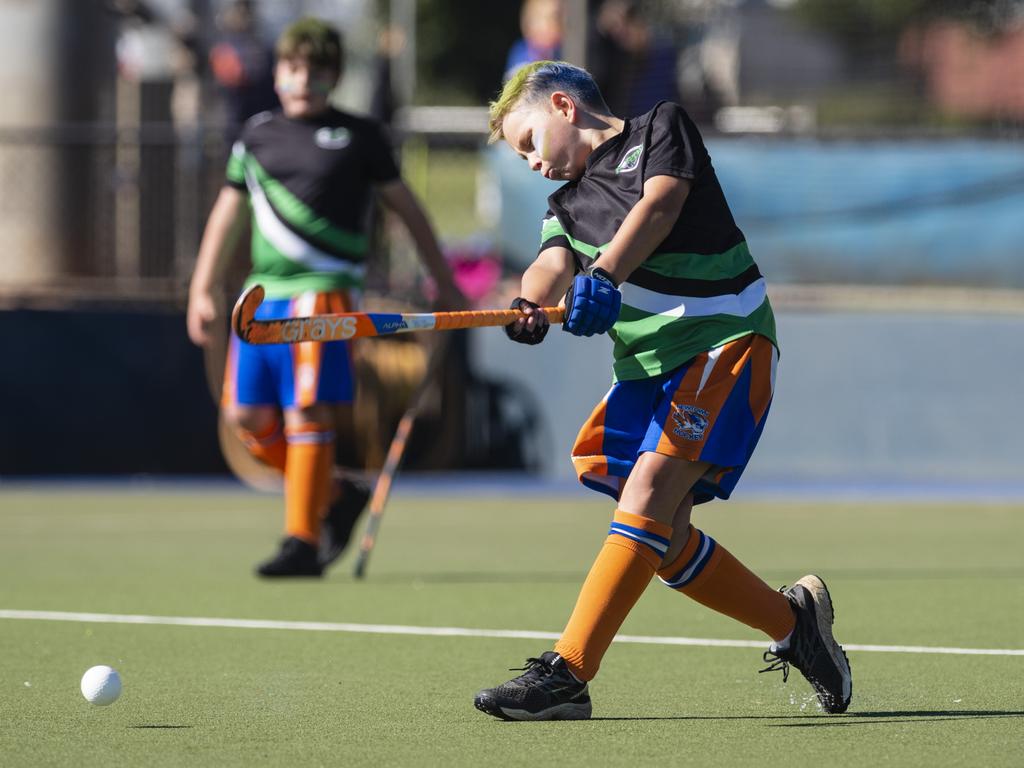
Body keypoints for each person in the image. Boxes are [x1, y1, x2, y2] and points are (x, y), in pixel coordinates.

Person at [473, 61, 851, 720]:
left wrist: (607, 276)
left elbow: (660, 205)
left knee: (647, 496)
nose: (530, 162)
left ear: (563, 106)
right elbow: (550, 263)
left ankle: (569, 673)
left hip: (723, 342)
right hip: (645, 372)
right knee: (662, 533)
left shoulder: (660, 128)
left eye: (529, 141)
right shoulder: (564, 206)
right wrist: (526, 304)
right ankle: (795, 627)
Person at [187, 17, 465, 578]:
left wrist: (447, 281)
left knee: (307, 409)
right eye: (293, 67)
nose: (303, 79)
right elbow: (226, 214)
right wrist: (202, 286)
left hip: (324, 295)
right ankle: (333, 491)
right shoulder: (255, 135)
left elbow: (407, 211)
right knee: (246, 417)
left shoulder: (361, 137)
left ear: (334, 75)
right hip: (260, 300)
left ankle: (302, 540)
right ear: (279, 72)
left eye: (316, 69)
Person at [504, 0, 563, 80]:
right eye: (556, 18)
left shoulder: (561, 50)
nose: (562, 24)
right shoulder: (522, 54)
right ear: (531, 24)